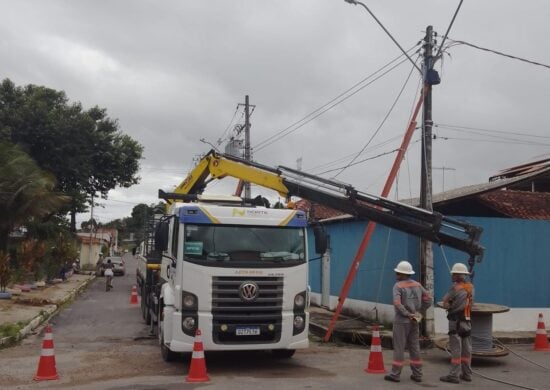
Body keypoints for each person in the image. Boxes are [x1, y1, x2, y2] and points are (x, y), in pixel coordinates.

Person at [384, 260, 432, 383]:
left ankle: (395, 374)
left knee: (399, 347)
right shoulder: (417, 285)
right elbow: (428, 299)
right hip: (415, 320)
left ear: (402, 273)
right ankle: (418, 374)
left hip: (402, 321)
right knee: (415, 347)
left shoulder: (398, 286)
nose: (396, 275)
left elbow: (397, 304)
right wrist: (418, 313)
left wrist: (407, 314)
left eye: (398, 273)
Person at [440, 262, 474, 384]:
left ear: (457, 275)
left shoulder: (454, 289)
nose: (452, 275)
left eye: (453, 274)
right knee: (466, 350)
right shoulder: (471, 288)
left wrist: (450, 304)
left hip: (455, 322)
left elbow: (445, 303)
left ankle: (453, 375)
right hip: (467, 322)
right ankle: (467, 374)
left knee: (456, 349)